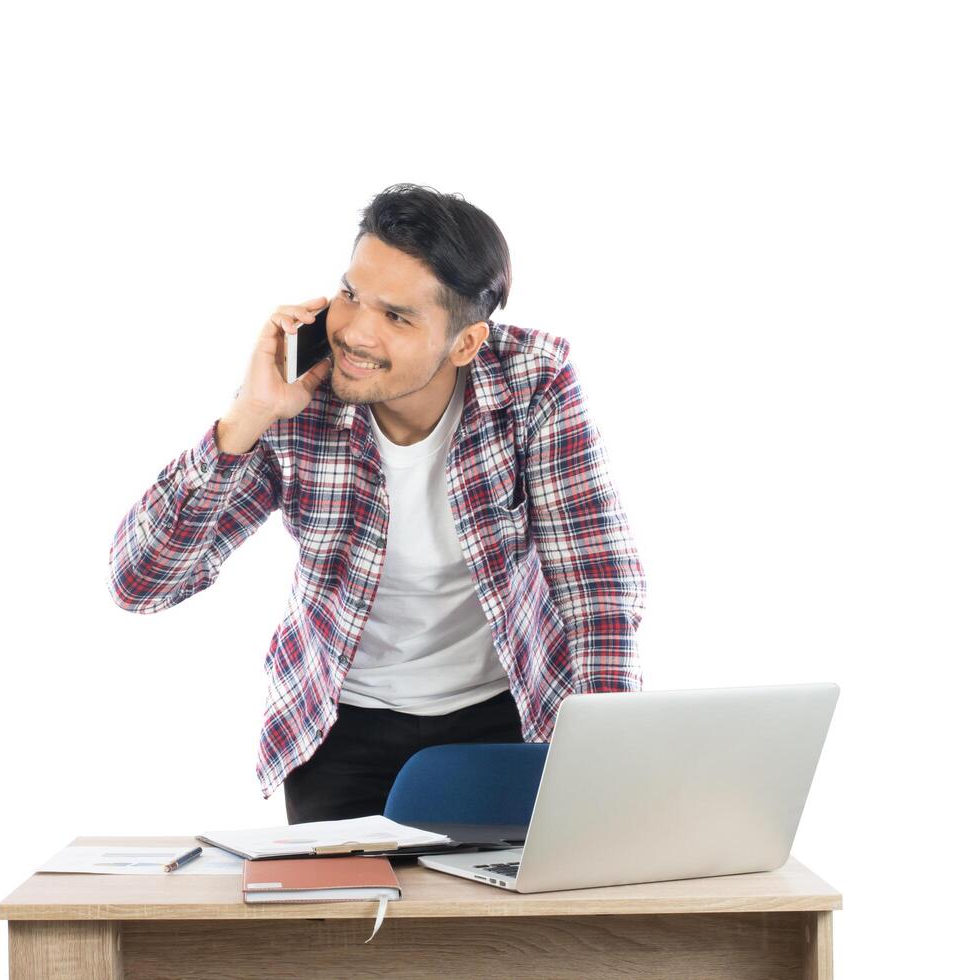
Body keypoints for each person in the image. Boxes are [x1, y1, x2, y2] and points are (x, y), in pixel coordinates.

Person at [108, 183, 645, 823]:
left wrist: (607, 760)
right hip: (338, 724)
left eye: (396, 316)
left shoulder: (534, 379)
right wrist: (246, 417)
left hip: (506, 713)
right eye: (352, 294)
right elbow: (140, 583)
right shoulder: (295, 391)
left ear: (466, 343)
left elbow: (594, 579)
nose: (355, 333)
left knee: (507, 920)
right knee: (345, 922)